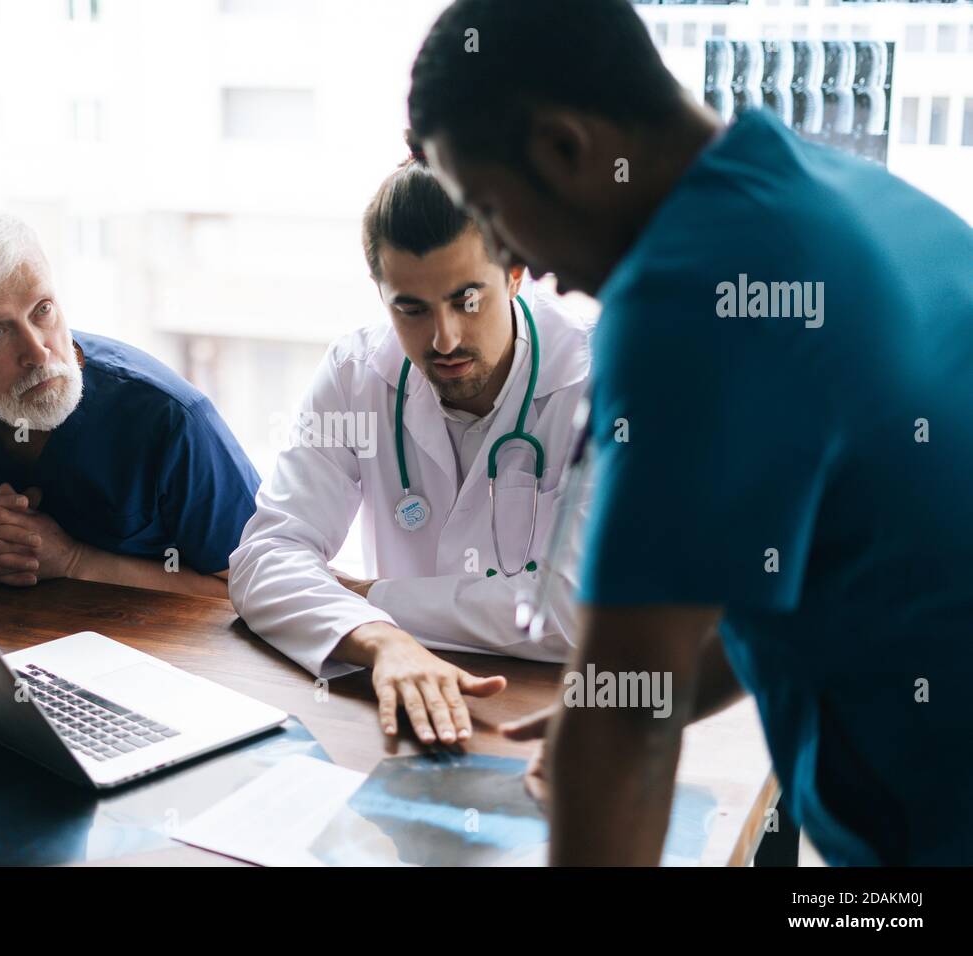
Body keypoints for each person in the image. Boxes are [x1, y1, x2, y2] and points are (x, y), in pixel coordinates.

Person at [407, 0, 973, 865]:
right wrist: (620, 686)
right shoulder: (830, 188)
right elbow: (795, 568)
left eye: (486, 210)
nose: (516, 261)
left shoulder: (691, 300)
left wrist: (612, 706)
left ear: (565, 147)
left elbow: (627, 735)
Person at [229, 159, 592, 746]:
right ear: (381, 293)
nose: (443, 339)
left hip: (548, 725)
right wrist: (381, 639)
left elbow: (578, 611)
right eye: (411, 309)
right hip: (401, 708)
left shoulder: (598, 383)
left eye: (466, 300)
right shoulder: (354, 372)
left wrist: (375, 598)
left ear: (517, 273)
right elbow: (264, 558)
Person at [0, 211, 259, 598]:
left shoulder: (170, 418)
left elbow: (252, 591)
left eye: (42, 310)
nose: (37, 352)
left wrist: (76, 562)